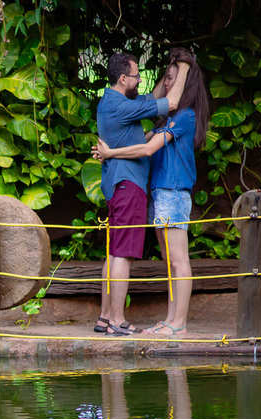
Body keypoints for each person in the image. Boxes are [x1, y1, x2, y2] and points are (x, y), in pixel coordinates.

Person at [94, 49, 211, 338]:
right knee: (123, 254)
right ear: (123, 79)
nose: (142, 82)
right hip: (129, 184)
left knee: (118, 252)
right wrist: (182, 68)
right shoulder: (123, 106)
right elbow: (165, 104)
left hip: (126, 185)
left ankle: (109, 316)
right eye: (136, 76)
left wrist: (173, 69)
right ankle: (117, 320)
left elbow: (153, 105)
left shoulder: (114, 101)